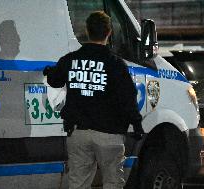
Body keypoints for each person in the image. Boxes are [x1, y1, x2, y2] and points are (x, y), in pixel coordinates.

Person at [43, 11, 144, 189]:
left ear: (87, 31)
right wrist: (136, 124)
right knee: (112, 182)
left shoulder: (71, 60)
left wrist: (49, 71)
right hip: (109, 134)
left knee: (78, 183)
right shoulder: (115, 64)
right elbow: (127, 97)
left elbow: (54, 80)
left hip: (78, 134)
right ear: (109, 32)